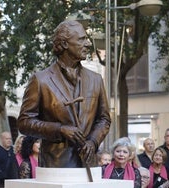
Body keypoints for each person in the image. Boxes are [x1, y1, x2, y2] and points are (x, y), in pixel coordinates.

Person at [17, 20, 111, 168]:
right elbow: (24, 122)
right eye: (81, 39)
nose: (87, 44)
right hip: (55, 164)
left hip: (88, 165)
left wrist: (93, 141)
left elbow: (104, 119)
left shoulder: (96, 79)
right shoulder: (41, 80)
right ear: (65, 44)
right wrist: (59, 129)